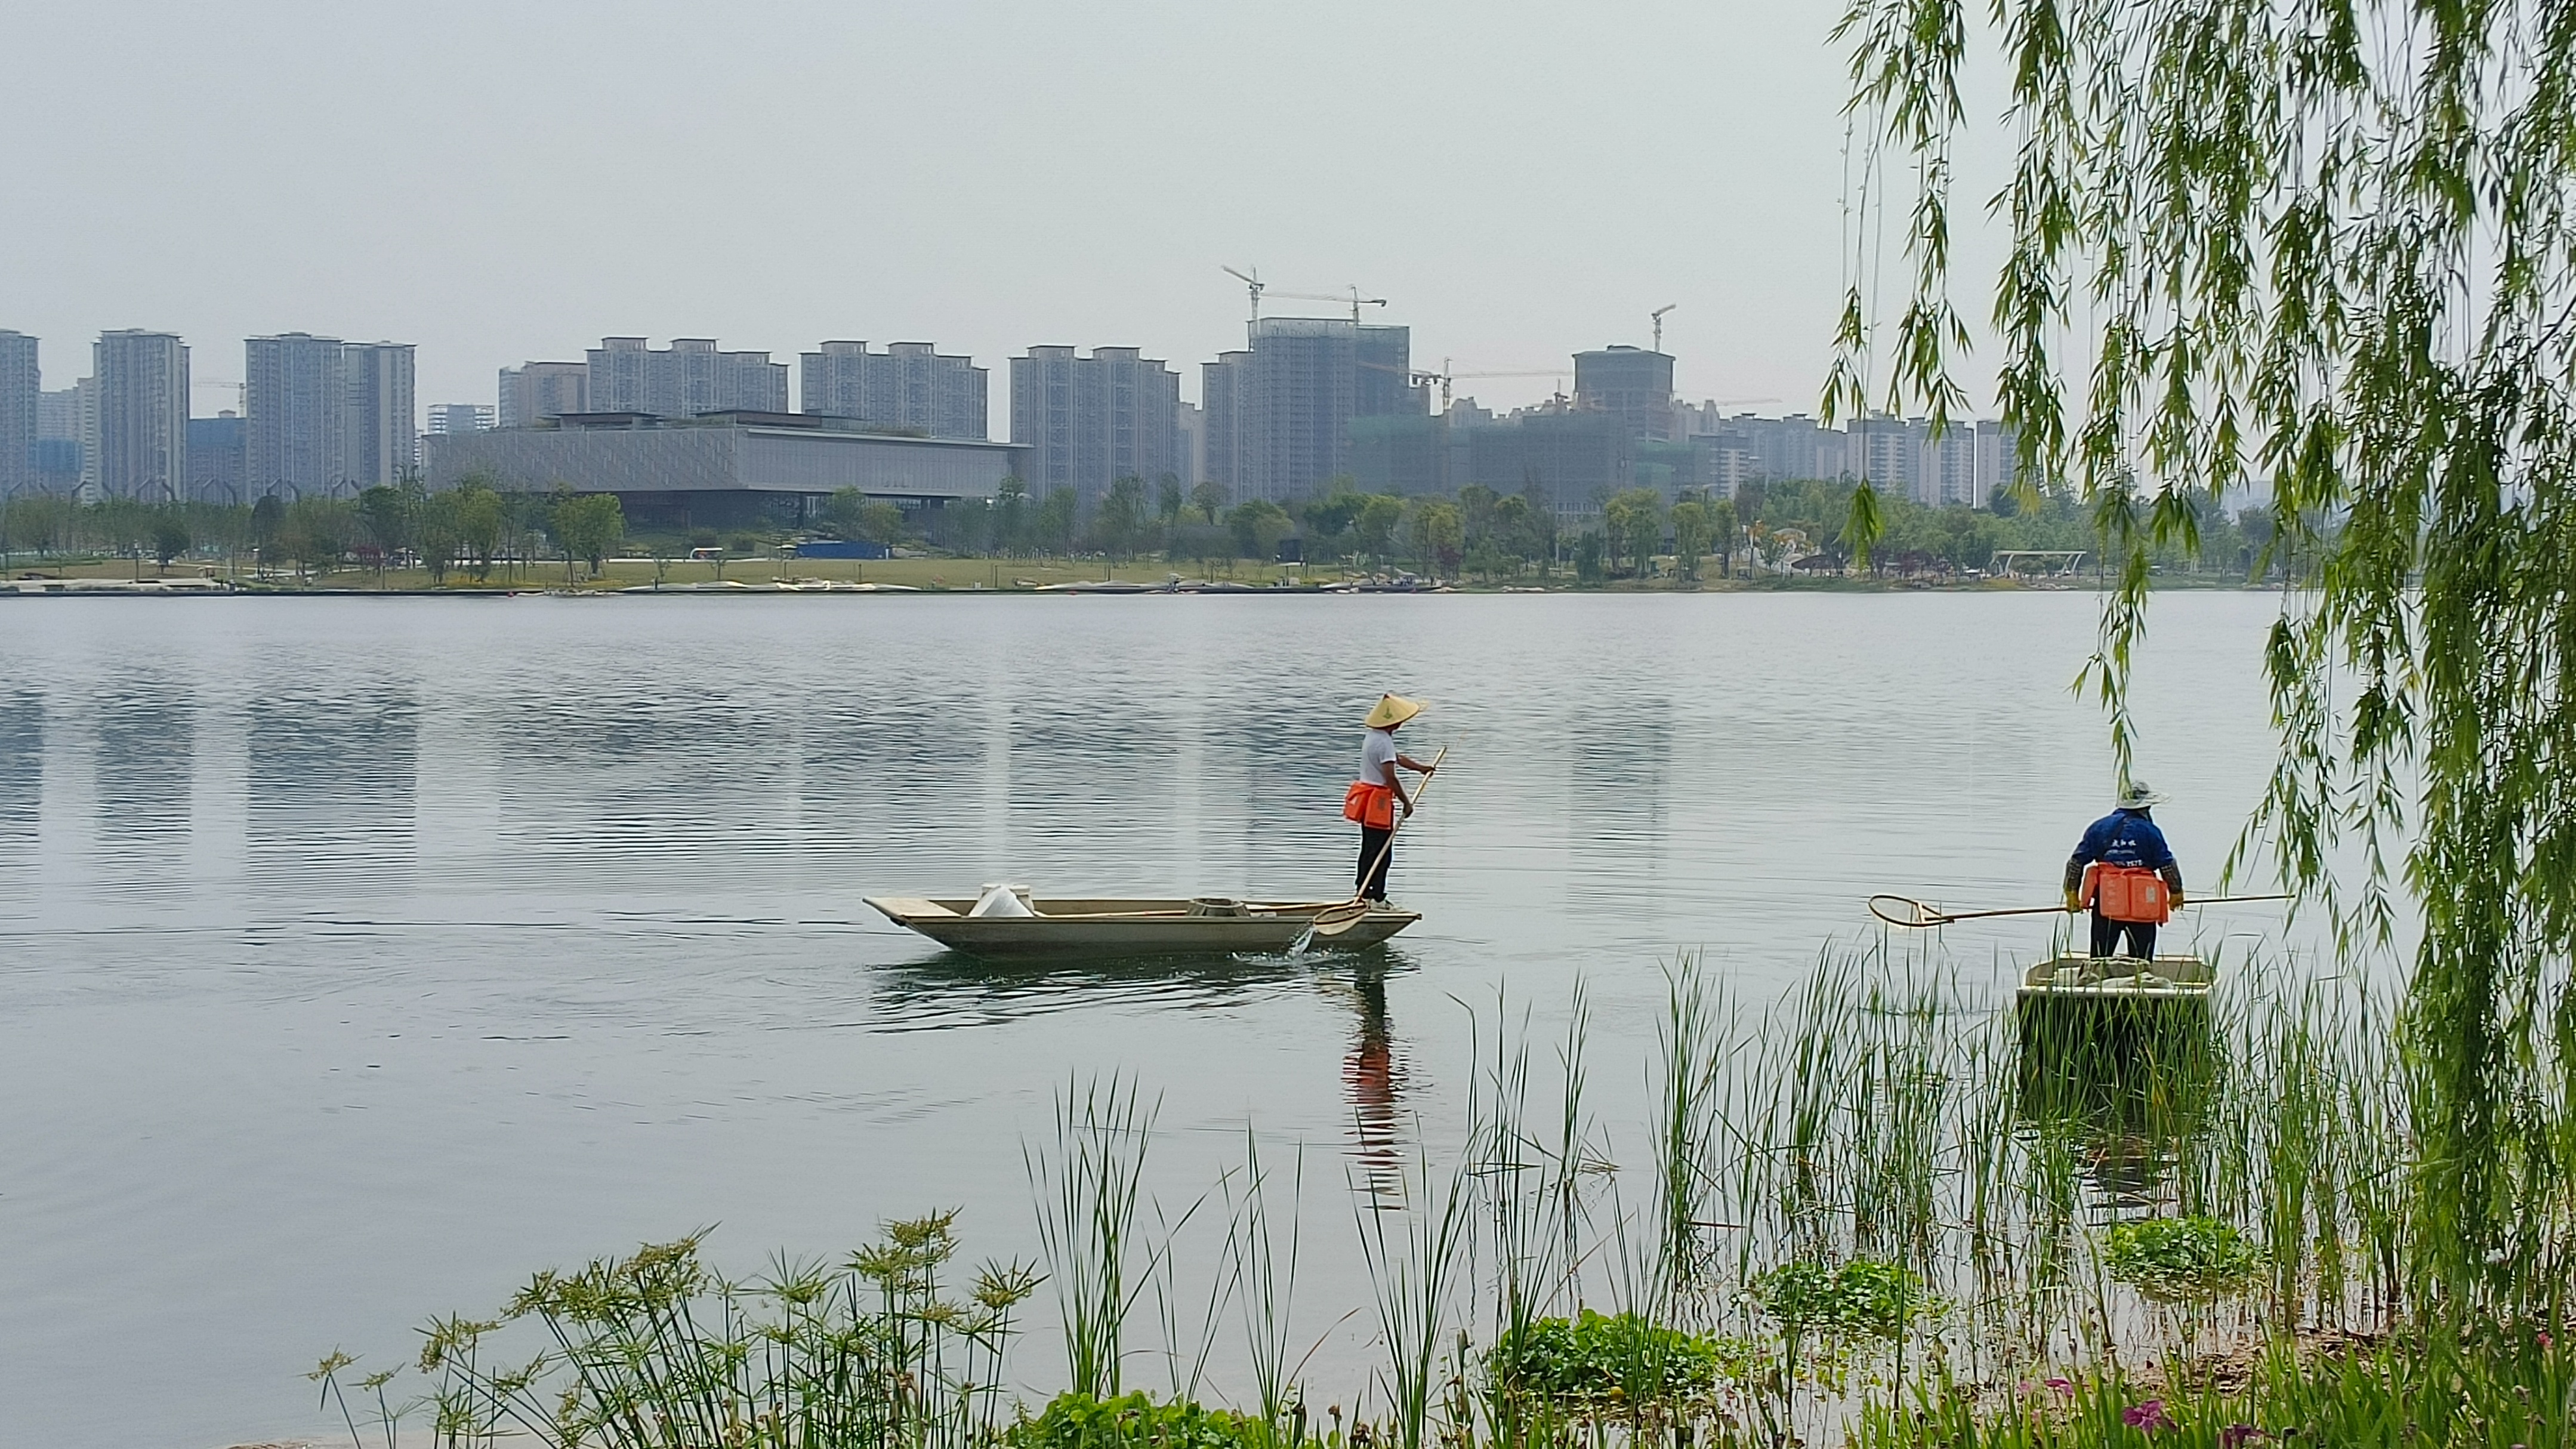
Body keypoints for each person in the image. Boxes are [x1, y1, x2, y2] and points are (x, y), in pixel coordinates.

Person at [2063, 781, 2185, 958]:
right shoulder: (2151, 831)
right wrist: (2176, 892)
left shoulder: (2099, 828)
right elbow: (2167, 864)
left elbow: (2076, 862)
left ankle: (2097, 982)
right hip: (2143, 904)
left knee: (2100, 959)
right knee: (2141, 961)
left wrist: (2071, 893)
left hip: (2107, 902)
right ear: (2146, 806)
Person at [1341, 694, 1437, 905]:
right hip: (1377, 802)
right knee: (1381, 852)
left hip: (1369, 800)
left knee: (1370, 847)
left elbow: (1396, 758)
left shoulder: (1374, 737)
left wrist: (1420, 768)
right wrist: (1406, 802)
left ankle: (1363, 890)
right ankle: (1375, 897)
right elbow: (1390, 776)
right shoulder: (1383, 742)